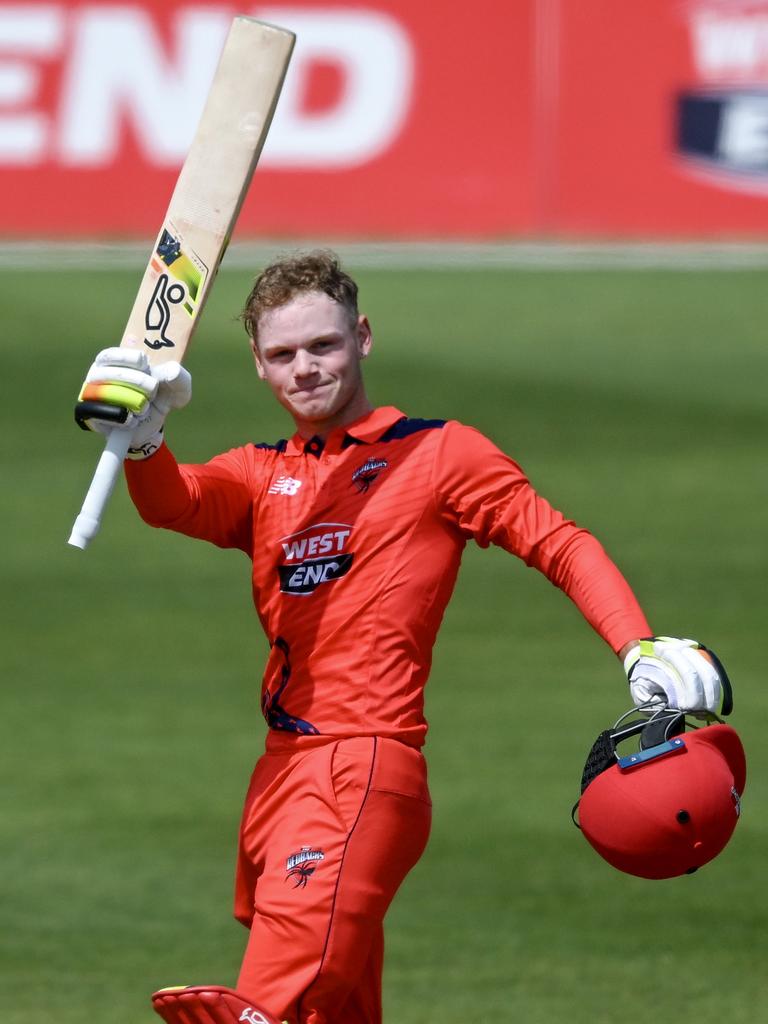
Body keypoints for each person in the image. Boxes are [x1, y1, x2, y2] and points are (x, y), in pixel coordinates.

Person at [76, 250, 730, 1024]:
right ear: (257, 365)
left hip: (363, 768)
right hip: (282, 777)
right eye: (283, 354)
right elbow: (177, 503)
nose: (306, 369)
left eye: (323, 346)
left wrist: (636, 645)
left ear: (363, 337)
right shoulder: (263, 473)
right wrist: (147, 440)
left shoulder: (437, 453)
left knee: (265, 1009)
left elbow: (559, 542)